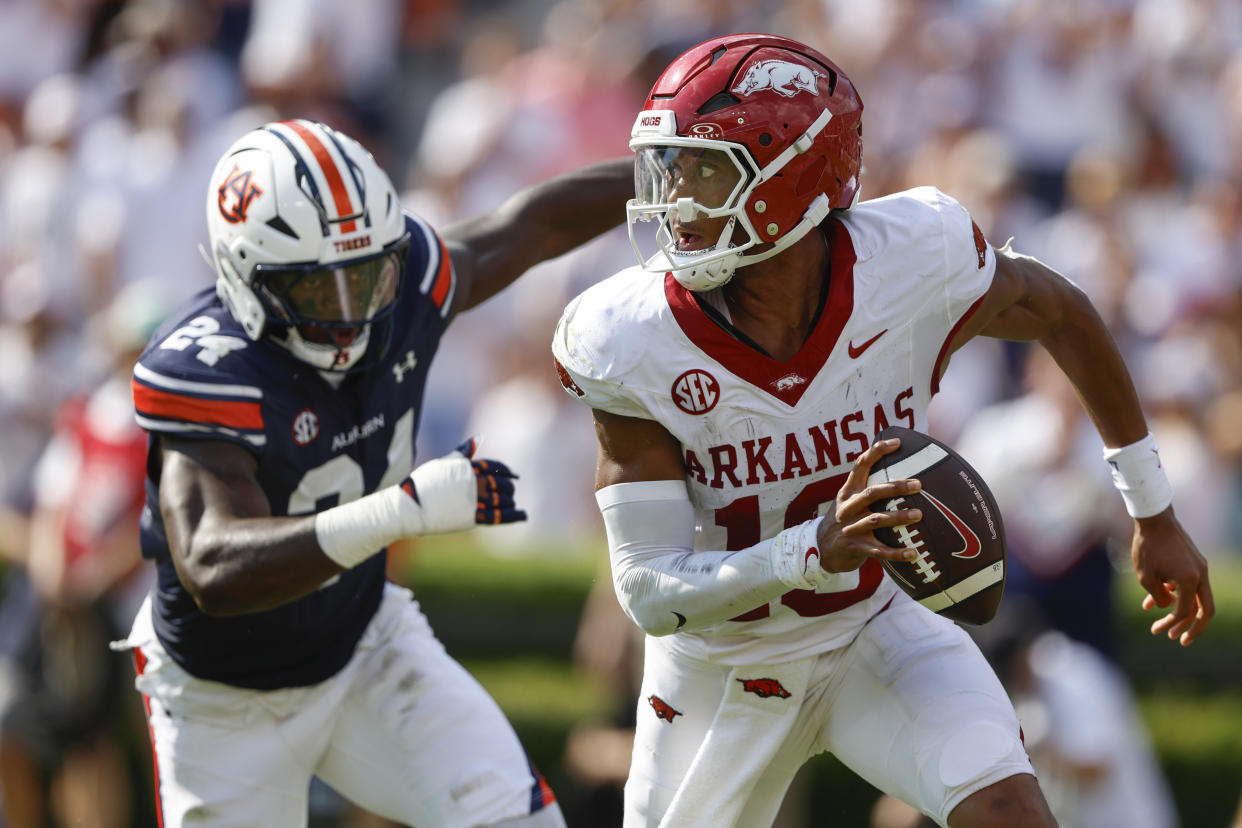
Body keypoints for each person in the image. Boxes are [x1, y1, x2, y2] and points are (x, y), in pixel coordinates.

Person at [551, 33, 1213, 828]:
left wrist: (1153, 510)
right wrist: (812, 546)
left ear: (796, 175)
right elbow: (648, 591)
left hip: (874, 627)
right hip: (720, 665)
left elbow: (1062, 313)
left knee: (1010, 810)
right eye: (672, 166)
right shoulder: (628, 334)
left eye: (707, 169)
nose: (677, 199)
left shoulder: (914, 260)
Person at [112, 118, 630, 828]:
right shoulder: (207, 369)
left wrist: (661, 177)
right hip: (223, 696)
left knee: (517, 819)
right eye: (323, 294)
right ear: (246, 280)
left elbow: (532, 225)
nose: (355, 313)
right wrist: (400, 512)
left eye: (367, 277)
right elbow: (212, 568)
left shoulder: (411, 279)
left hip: (364, 642)